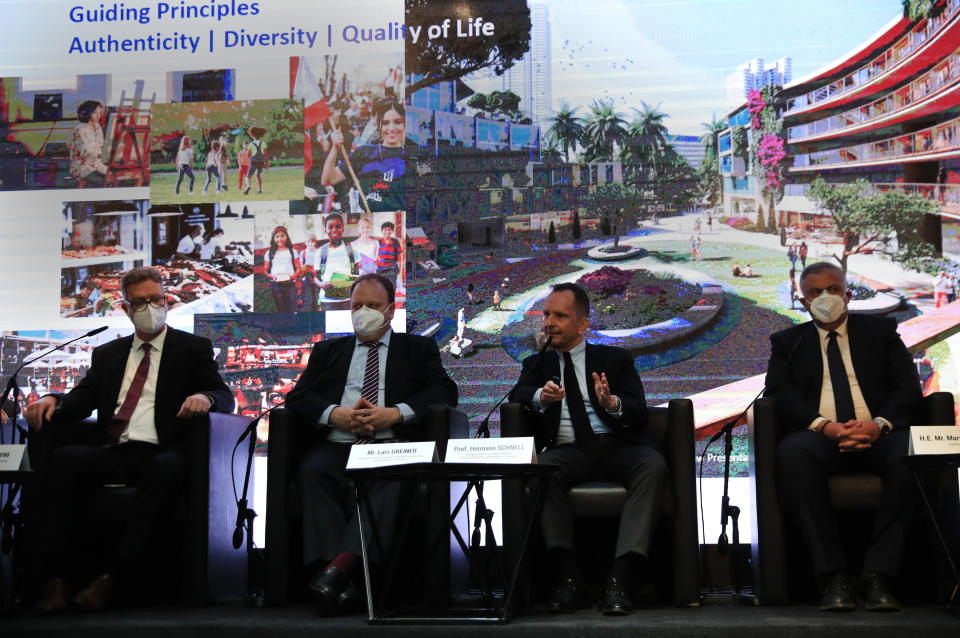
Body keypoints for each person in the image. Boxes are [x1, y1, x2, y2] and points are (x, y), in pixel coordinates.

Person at [23, 267, 233, 613]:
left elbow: (223, 396)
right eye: (140, 302)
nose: (150, 307)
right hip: (112, 449)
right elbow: (80, 400)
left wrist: (205, 398)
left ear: (168, 300)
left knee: (168, 469)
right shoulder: (108, 354)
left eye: (156, 299)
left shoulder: (192, 348)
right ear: (126, 309)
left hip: (162, 450)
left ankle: (111, 578)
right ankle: (56, 579)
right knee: (65, 461)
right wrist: (52, 398)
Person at [285, 273, 458, 614]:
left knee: (393, 478)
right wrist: (334, 415)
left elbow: (444, 392)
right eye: (357, 306)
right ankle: (345, 580)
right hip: (338, 444)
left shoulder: (417, 349)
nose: (363, 312)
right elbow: (297, 398)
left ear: (390, 311)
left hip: (390, 445)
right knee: (311, 472)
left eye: (373, 305)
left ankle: (337, 571)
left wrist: (395, 414)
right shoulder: (328, 351)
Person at [764, 262, 923, 612]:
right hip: (821, 435)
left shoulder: (880, 331)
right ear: (803, 302)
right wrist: (826, 426)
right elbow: (778, 393)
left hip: (880, 432)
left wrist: (878, 425)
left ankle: (878, 576)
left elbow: (908, 388)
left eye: (833, 289)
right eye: (815, 293)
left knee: (912, 456)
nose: (826, 297)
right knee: (793, 455)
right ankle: (833, 578)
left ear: (848, 294)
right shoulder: (788, 342)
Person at [509, 283, 664, 616]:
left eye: (560, 316)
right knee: (543, 472)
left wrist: (612, 403)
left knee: (652, 466)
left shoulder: (615, 359)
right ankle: (568, 580)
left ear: (582, 324)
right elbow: (518, 395)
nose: (549, 322)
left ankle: (621, 579)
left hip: (617, 445)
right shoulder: (537, 363)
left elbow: (638, 409)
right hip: (569, 450)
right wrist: (540, 396)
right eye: (546, 313)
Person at [311, 98, 415, 212]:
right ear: (379, 126)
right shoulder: (364, 152)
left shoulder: (414, 157)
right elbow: (327, 180)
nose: (391, 128)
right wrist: (334, 149)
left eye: (397, 122)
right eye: (385, 123)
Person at [70, 100, 108, 187]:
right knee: (102, 181)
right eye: (95, 113)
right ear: (88, 113)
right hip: (82, 166)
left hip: (97, 165)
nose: (98, 115)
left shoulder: (98, 128)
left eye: (99, 113)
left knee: (113, 177)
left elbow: (101, 146)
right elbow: (85, 151)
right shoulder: (80, 129)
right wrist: (101, 152)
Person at [264, 226, 300, 313]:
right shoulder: (269, 253)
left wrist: (293, 276)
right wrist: (272, 276)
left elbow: (298, 268)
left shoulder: (292, 251)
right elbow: (265, 270)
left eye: (282, 236)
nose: (280, 239)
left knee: (291, 308)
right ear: (273, 238)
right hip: (276, 285)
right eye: (277, 236)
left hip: (290, 283)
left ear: (286, 237)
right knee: (281, 309)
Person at [314, 214, 357, 284]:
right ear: (325, 230)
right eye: (330, 227)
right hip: (326, 292)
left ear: (342, 228)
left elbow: (356, 272)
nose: (334, 230)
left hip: (347, 290)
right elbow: (316, 277)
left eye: (338, 226)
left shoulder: (352, 249)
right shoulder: (320, 252)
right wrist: (322, 285)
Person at [244, 126, 268, 195]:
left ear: (252, 135)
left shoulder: (251, 144)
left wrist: (250, 161)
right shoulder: (263, 143)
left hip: (254, 161)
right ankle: (260, 190)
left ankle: (248, 186)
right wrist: (267, 164)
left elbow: (248, 155)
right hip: (261, 161)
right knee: (258, 175)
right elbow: (266, 155)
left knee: (248, 176)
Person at [299, 235, 320, 312]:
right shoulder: (303, 253)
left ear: (315, 242)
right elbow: (301, 266)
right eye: (308, 241)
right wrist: (307, 268)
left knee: (316, 299)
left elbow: (321, 264)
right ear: (305, 243)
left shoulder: (318, 251)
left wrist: (315, 269)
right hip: (306, 276)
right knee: (308, 299)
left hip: (317, 276)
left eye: (312, 241)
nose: (310, 243)